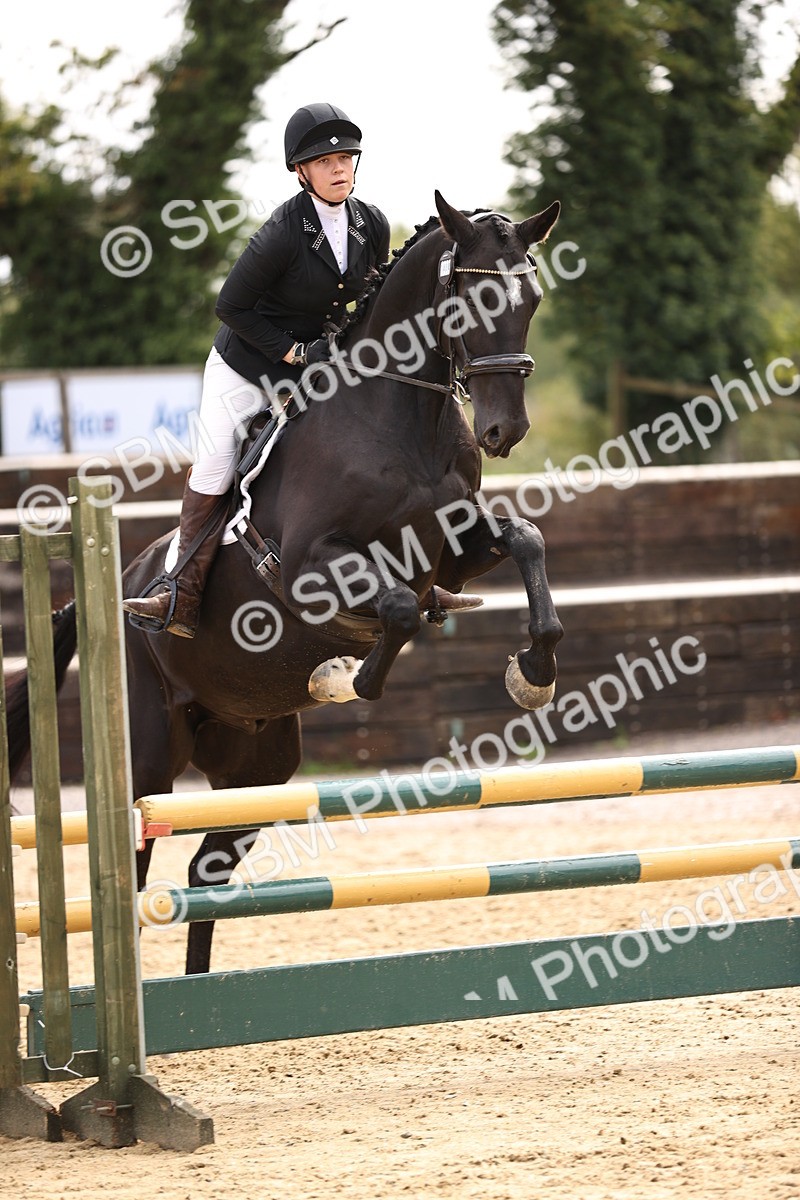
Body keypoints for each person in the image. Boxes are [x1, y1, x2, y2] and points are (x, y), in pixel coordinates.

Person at [124, 101, 479, 638]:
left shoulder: (371, 223)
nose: (340, 168)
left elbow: (369, 300)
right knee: (219, 461)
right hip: (247, 363)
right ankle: (182, 588)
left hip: (319, 363)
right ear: (301, 171)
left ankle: (419, 573)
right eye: (326, 160)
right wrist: (293, 353)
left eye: (347, 158)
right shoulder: (283, 231)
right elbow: (231, 307)